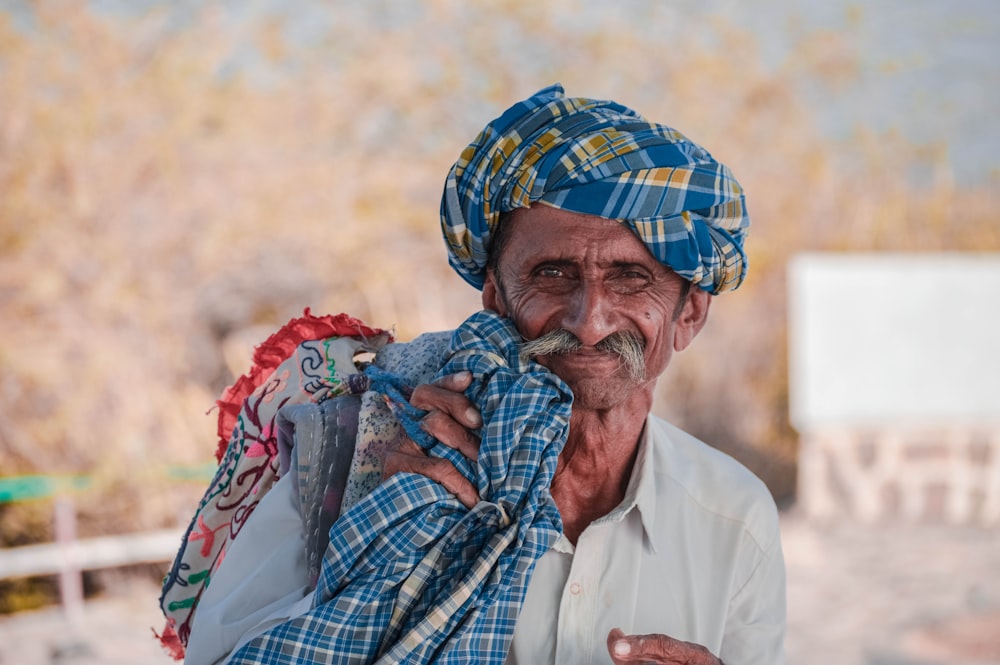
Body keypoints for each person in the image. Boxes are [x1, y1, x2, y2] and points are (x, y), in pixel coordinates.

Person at [169, 84, 785, 665]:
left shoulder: (733, 516)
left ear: (689, 316)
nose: (590, 321)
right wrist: (380, 533)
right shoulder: (367, 451)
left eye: (631, 277)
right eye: (552, 274)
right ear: (495, 300)